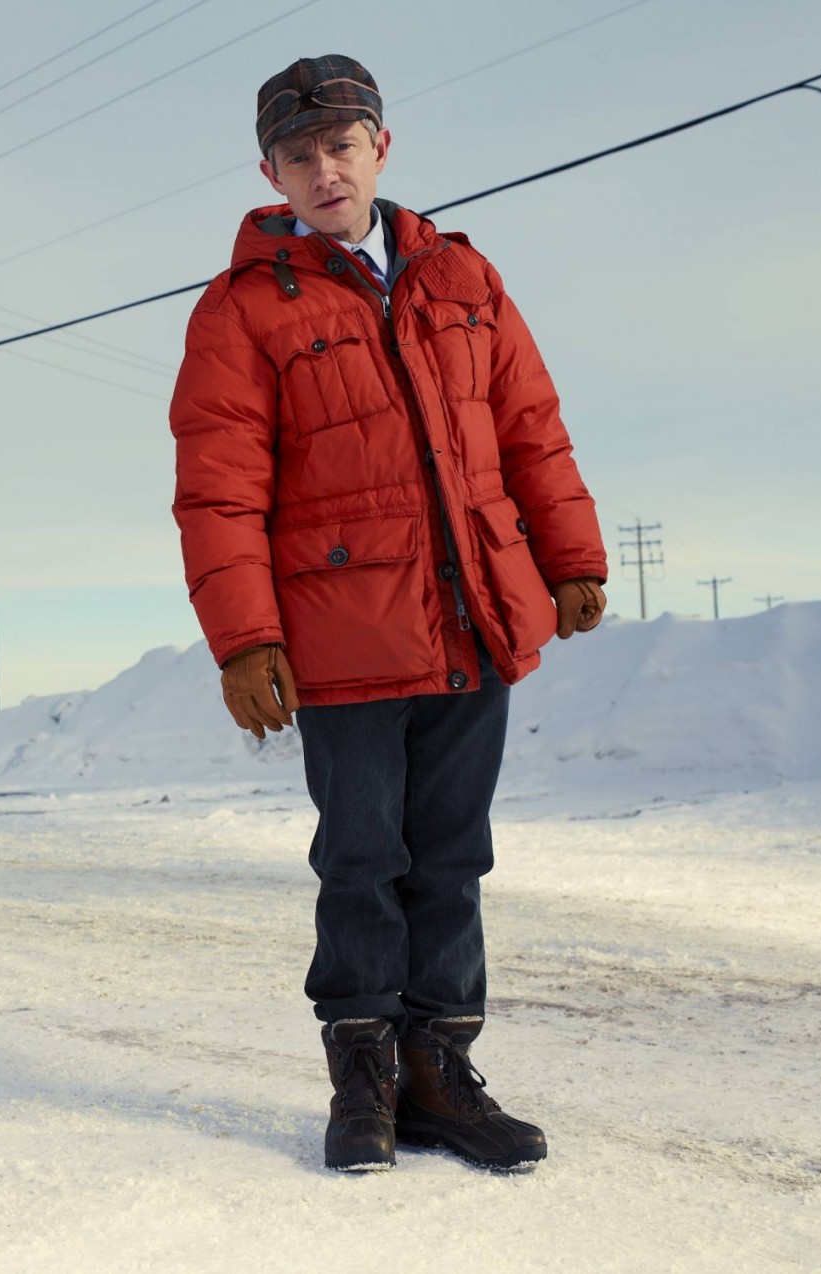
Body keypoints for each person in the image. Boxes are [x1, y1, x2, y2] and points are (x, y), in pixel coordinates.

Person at [169, 54, 608, 1173]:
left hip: (471, 621)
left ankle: (437, 1072)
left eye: (341, 146)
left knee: (451, 859)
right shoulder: (239, 311)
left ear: (380, 148)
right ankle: (360, 1073)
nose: (323, 169)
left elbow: (529, 428)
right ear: (267, 169)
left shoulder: (462, 277)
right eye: (298, 155)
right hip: (341, 636)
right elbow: (219, 484)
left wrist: (567, 555)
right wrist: (246, 638)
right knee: (361, 859)